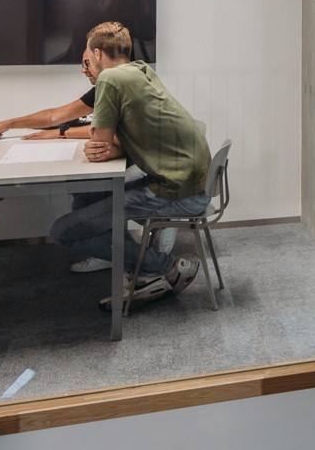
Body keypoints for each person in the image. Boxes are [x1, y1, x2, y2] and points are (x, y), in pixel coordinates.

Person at [48, 22, 209, 309]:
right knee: (86, 198)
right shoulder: (141, 70)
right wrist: (106, 144)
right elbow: (113, 141)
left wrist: (101, 144)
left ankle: (166, 267)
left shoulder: (109, 79)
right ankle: (137, 268)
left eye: (86, 60)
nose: (85, 68)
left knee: (63, 231)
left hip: (177, 190)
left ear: (97, 54)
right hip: (189, 181)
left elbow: (100, 145)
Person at [0, 80, 114, 273]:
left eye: (87, 64)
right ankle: (112, 252)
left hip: (138, 167)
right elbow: (55, 116)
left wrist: (61, 132)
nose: (83, 70)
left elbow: (112, 130)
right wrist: (9, 124)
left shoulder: (117, 84)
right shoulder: (104, 86)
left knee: (85, 202)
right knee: (83, 195)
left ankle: (135, 260)